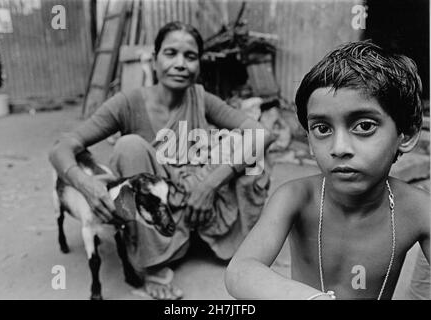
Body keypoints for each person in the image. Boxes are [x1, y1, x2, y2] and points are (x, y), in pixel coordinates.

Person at [49, 21, 275, 300]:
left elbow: (262, 134)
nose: (180, 64)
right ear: (153, 59)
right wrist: (86, 185)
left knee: (254, 153)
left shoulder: (201, 98)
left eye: (190, 56)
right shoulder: (127, 103)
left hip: (201, 203)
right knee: (129, 147)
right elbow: (62, 148)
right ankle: (152, 262)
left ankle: (236, 242)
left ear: (198, 65)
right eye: (170, 53)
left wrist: (210, 185)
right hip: (158, 215)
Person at [225, 41, 430, 300]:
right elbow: (241, 270)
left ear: (407, 134)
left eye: (364, 125)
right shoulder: (295, 196)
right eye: (322, 129)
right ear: (309, 140)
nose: (339, 147)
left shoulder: (420, 209)